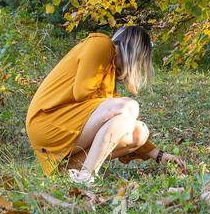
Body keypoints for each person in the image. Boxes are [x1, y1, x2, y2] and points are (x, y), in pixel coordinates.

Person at [25, 26, 183, 183]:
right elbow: (81, 92)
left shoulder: (109, 73)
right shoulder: (101, 44)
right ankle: (87, 176)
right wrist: (115, 102)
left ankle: (67, 169)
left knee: (138, 132)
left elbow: (115, 123)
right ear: (136, 54)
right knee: (130, 106)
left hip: (64, 128)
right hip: (47, 121)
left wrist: (159, 155)